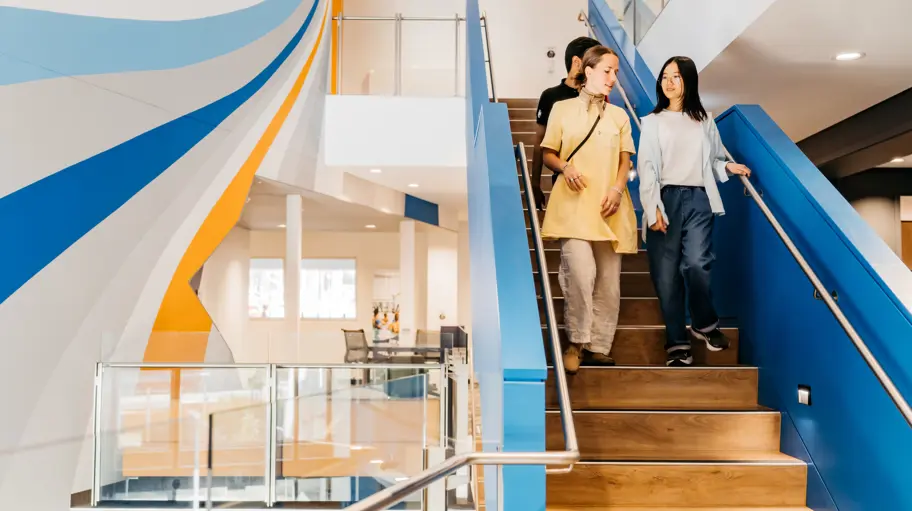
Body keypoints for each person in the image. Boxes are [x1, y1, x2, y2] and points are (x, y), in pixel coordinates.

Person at [637, 56, 752, 367]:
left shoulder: (704, 121)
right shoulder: (652, 122)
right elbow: (646, 168)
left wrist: (727, 165)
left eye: (676, 76)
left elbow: (712, 161)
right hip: (664, 198)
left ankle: (704, 324)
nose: (669, 82)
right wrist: (652, 209)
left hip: (700, 198)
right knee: (666, 277)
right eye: (664, 76)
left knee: (697, 264)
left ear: (689, 80)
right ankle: (677, 345)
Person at [539, 46, 638, 373]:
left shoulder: (620, 116)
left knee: (609, 283)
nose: (613, 78)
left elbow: (625, 161)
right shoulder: (562, 109)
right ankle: (577, 342)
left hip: (609, 206)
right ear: (589, 70)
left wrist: (617, 188)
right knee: (581, 275)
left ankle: (598, 346)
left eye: (616, 73)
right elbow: (548, 154)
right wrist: (565, 168)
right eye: (608, 71)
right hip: (573, 205)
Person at [531, 36, 601, 209]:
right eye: (593, 61)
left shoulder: (599, 96)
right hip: (563, 177)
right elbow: (540, 142)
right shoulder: (551, 97)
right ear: (577, 62)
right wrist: (535, 184)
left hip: (595, 180)